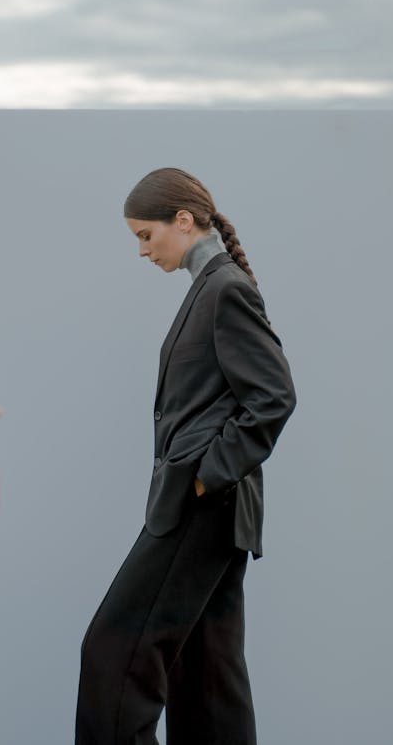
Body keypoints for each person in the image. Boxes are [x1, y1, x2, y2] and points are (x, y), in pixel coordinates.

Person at [75, 167, 297, 745]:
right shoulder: (211, 287)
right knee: (207, 674)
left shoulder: (225, 289)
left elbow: (274, 396)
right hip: (211, 509)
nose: (142, 251)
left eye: (145, 235)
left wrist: (206, 475)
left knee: (114, 650)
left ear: (182, 219)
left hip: (203, 506)